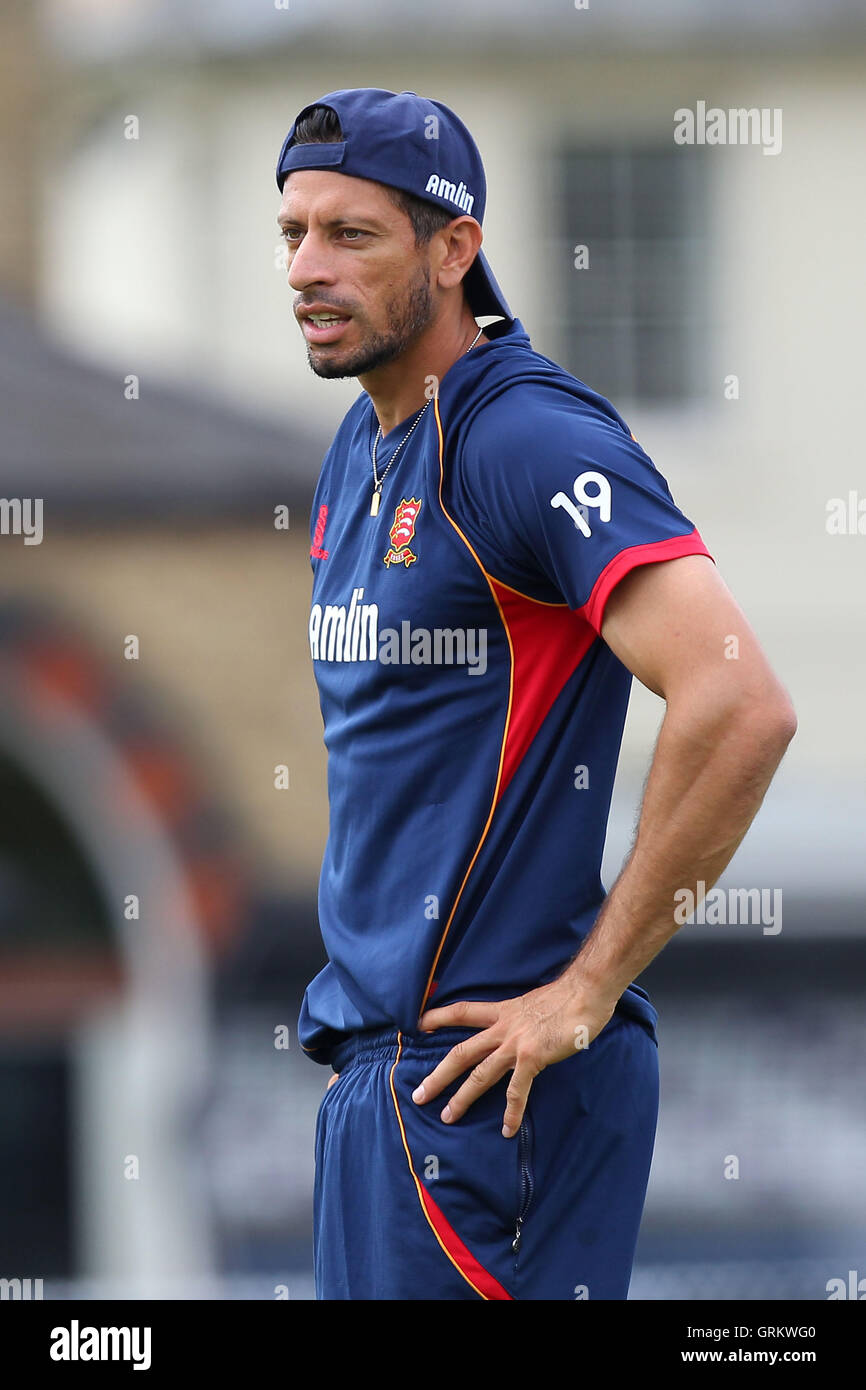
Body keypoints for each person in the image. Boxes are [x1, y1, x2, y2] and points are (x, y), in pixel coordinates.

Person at [275, 87, 797, 1300]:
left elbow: (741, 703)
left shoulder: (523, 439)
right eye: (292, 233)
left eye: (351, 236)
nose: (307, 266)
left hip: (482, 1099)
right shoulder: (363, 443)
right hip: (385, 1098)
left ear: (454, 249)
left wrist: (587, 987)